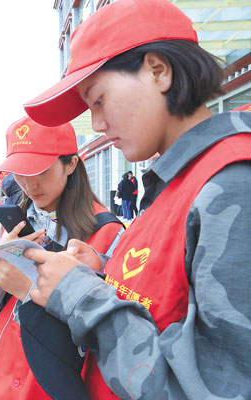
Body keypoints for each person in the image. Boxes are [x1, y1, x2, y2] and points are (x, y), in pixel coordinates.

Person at [21, 0, 251, 398]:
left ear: (158, 71)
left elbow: (216, 387)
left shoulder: (233, 184)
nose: (96, 123)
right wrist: (103, 270)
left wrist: (77, 292)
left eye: (98, 99)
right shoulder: (182, 178)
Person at [0, 115, 123, 400]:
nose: (29, 184)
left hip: (55, 382)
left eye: (40, 171)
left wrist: (28, 288)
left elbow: (111, 331)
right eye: (20, 172)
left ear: (71, 163)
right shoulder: (6, 224)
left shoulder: (108, 234)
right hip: (1, 375)